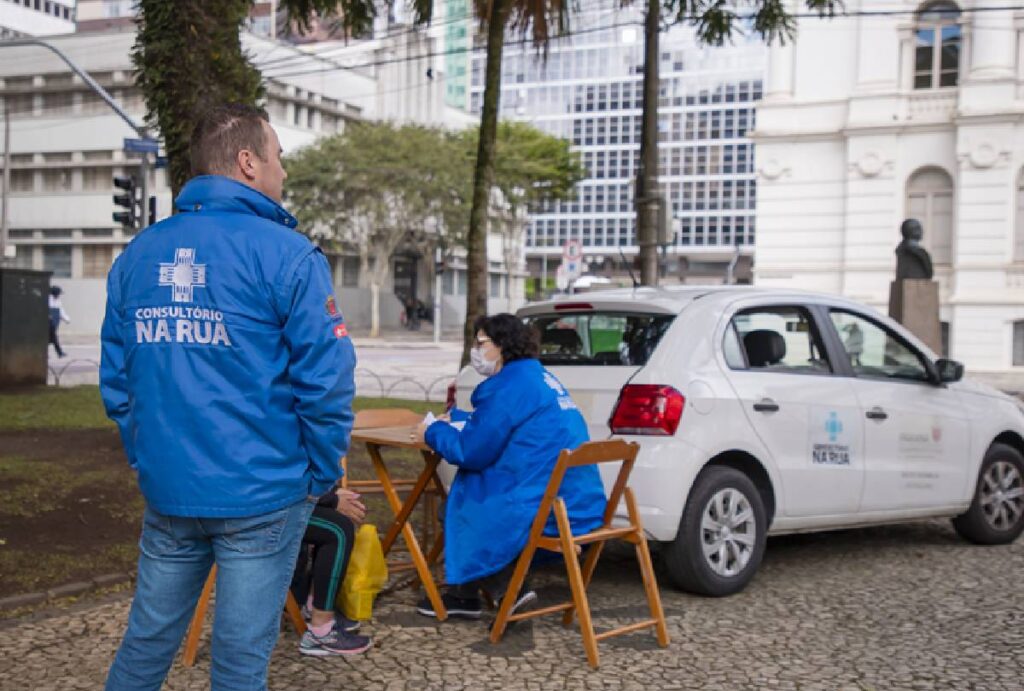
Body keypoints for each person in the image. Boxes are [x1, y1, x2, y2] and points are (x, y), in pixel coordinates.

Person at [99, 104, 357, 690]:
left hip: (172, 492)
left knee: (145, 644)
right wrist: (319, 474)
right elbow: (327, 380)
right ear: (248, 162)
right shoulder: (288, 255)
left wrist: (148, 459)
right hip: (262, 494)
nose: (283, 173)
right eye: (278, 157)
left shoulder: (138, 255)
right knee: (240, 662)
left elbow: (119, 383)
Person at [413, 314, 607, 619]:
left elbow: (471, 452)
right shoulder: (538, 377)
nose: (476, 350)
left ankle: (505, 590)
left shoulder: (506, 387)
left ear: (502, 345)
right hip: (578, 501)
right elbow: (511, 424)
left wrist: (432, 432)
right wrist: (462, 420)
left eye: (481, 343)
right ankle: (467, 594)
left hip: (542, 505)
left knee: (460, 505)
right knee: (468, 500)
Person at [290, 485, 371, 656]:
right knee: (338, 529)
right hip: (257, 505)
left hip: (262, 496)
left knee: (334, 518)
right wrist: (330, 498)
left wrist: (328, 494)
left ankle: (312, 605)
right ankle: (321, 632)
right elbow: (279, 477)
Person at [48, 285, 70, 358]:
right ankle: (59, 353)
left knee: (50, 338)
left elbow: (61, 311)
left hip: (54, 323)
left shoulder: (58, 301)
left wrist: (66, 319)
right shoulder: (48, 300)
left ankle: (58, 353)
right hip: (48, 323)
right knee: (52, 337)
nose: (59, 295)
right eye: (59, 294)